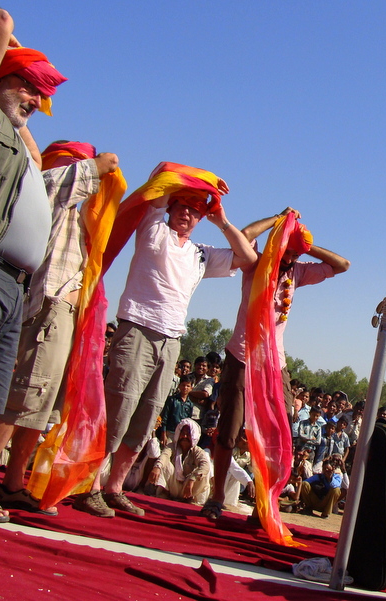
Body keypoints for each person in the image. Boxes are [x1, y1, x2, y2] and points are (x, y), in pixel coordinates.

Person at [73, 164, 257, 518]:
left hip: (172, 340)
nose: (187, 213)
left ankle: (114, 487)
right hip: (138, 328)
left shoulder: (200, 254)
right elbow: (160, 178)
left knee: (146, 418)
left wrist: (220, 218)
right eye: (182, 205)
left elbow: (248, 259)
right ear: (170, 206)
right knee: (119, 408)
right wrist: (194, 182)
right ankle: (90, 484)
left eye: (195, 209)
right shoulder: (153, 227)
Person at [0, 141, 119, 519]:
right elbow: (106, 164)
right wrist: (91, 163)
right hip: (48, 306)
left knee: (39, 406)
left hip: (63, 310)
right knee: (21, 400)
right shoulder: (47, 188)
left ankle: (13, 483)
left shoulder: (78, 213)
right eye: (75, 163)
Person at [0, 8, 67, 522]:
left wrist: (27, 80)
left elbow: (35, 148)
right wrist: (11, 49)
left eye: (41, 94)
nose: (37, 100)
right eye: (27, 87)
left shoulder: (22, 143)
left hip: (12, 286)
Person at [201, 207, 349, 519]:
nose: (292, 257)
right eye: (288, 250)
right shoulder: (255, 264)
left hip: (274, 366)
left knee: (274, 436)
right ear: (277, 246)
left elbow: (342, 265)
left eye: (297, 253)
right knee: (228, 433)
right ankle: (216, 500)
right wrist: (277, 221)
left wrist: (305, 245)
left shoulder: (298, 272)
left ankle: (263, 505)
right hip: (241, 357)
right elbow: (245, 236)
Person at [149, 419, 211, 505]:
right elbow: (164, 456)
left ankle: (191, 500)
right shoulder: (171, 447)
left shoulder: (197, 451)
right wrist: (157, 467)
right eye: (183, 433)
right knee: (164, 464)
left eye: (188, 434)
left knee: (204, 471)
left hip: (188, 488)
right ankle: (165, 495)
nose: (184, 436)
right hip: (173, 487)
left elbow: (205, 466)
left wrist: (192, 479)